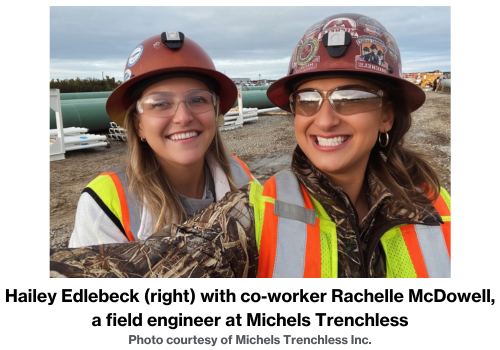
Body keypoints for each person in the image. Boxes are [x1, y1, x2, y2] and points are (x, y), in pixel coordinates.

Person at [51, 13, 450, 278]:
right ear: (135, 123)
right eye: (308, 99)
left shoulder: (445, 213)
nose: (325, 118)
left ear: (387, 115)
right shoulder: (255, 209)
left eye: (353, 96)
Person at [67, 31, 256, 248]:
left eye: (197, 99)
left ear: (215, 113)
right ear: (139, 125)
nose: (183, 117)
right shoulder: (104, 205)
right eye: (160, 103)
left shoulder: (241, 174)